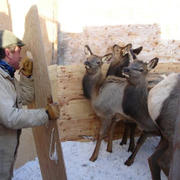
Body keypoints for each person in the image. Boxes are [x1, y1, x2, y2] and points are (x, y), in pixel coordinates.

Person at [0, 30, 60, 180]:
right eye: (18, 52)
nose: (21, 56)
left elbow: (24, 98)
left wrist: (26, 76)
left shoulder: (7, 77)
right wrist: (46, 114)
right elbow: (10, 117)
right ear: (8, 52)